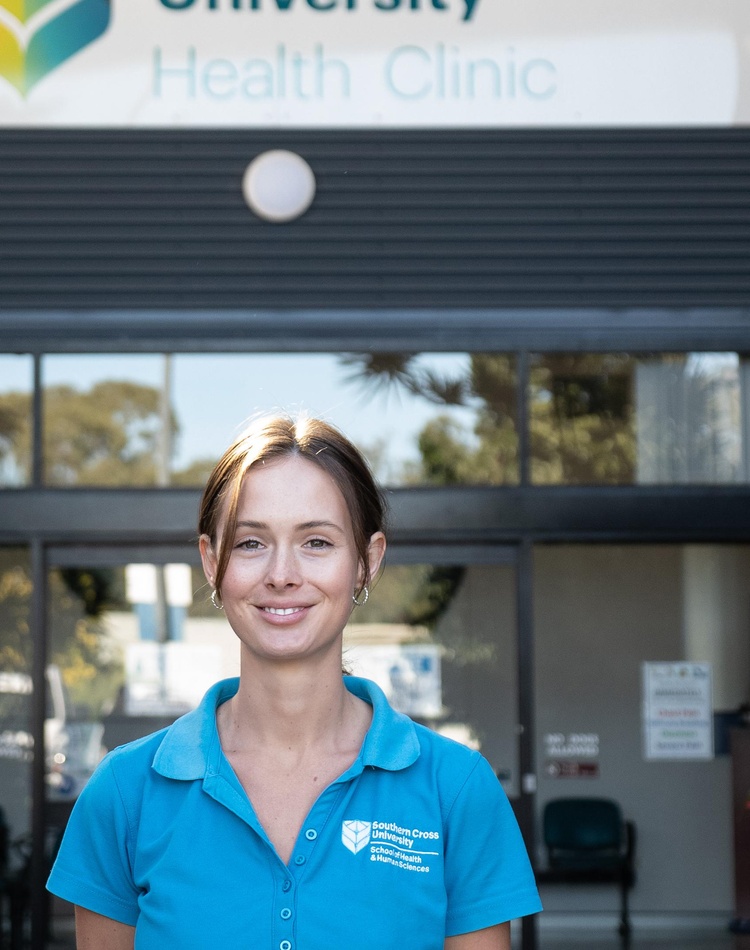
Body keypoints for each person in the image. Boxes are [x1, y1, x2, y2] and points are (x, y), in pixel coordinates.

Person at [47, 413, 542, 949]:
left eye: (317, 543)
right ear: (212, 562)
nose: (281, 574)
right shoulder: (125, 792)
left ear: (367, 563)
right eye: (250, 543)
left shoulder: (456, 790)